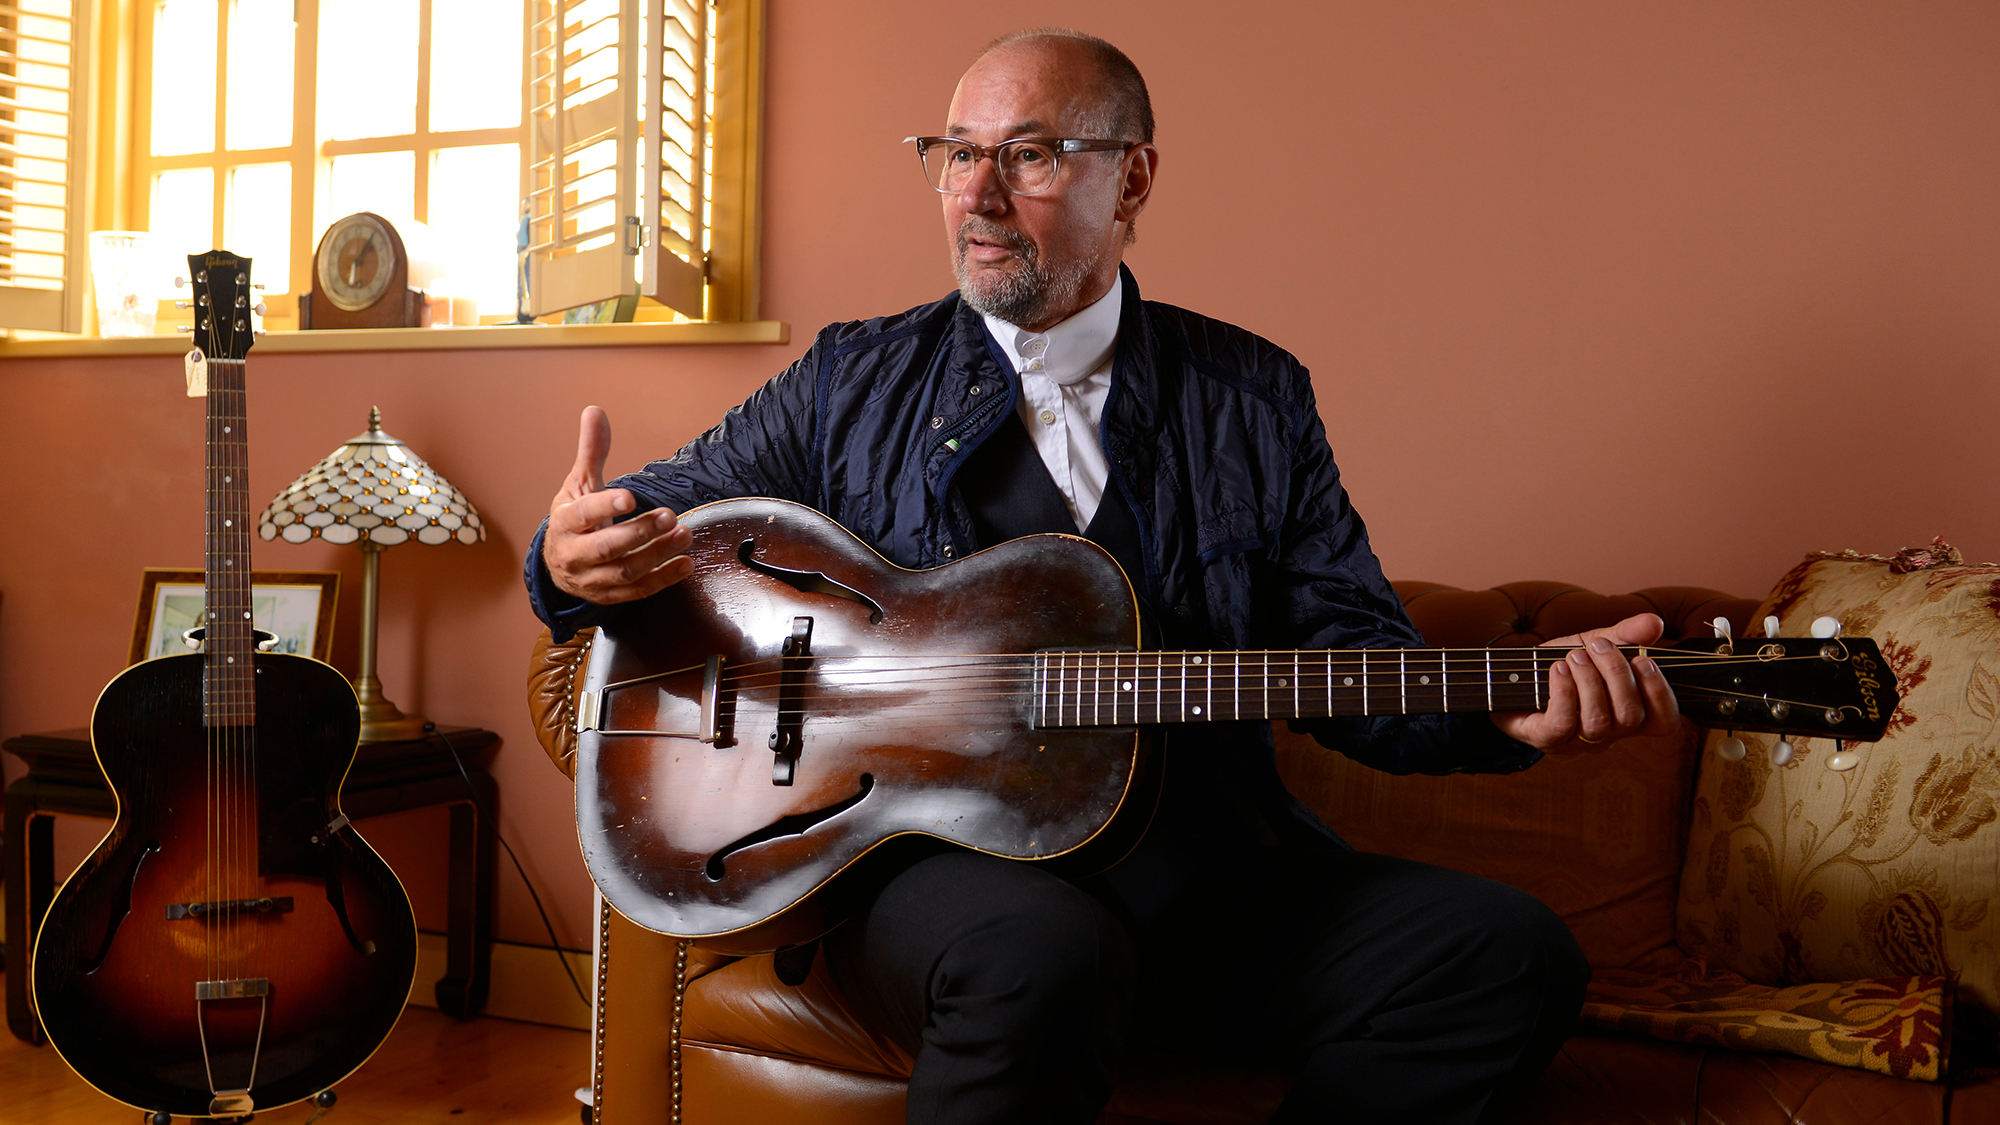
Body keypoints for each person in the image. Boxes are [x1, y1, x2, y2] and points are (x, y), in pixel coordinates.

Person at [527, 28, 1683, 1125]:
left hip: (1203, 880)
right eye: (953, 154)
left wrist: (1503, 712)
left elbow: (1346, 654)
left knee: (1503, 952)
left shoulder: (1252, 397)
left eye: (1025, 155)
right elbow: (652, 514)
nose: (975, 196)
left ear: (1130, 182)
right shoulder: (850, 379)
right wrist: (570, 555)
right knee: (1041, 949)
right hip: (936, 886)